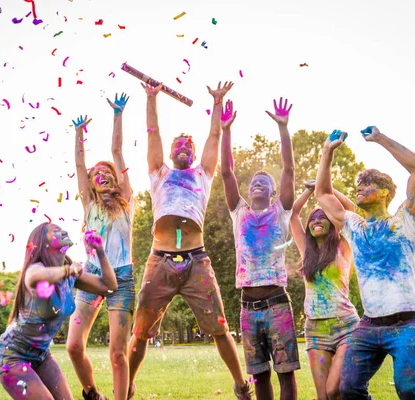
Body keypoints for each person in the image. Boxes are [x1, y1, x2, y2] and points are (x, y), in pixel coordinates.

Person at [128, 81, 252, 399]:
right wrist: (151, 97)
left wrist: (217, 101)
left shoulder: (203, 175)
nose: (183, 148)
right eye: (178, 145)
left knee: (219, 327)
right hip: (160, 261)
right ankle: (125, 387)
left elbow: (214, 136)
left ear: (194, 154)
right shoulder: (159, 172)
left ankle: (241, 386)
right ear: (170, 153)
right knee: (140, 331)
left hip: (197, 261)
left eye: (188, 146)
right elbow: (153, 132)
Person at [315, 127, 415, 400]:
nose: (360, 189)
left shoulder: (405, 220)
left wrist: (380, 139)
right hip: (369, 326)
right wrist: (327, 151)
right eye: (359, 186)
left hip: (406, 324)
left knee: (408, 389)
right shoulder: (354, 227)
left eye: (368, 185)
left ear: (386, 193)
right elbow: (322, 194)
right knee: (349, 388)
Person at [220, 97, 299, 400]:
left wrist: (283, 129)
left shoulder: (281, 211)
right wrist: (226, 130)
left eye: (264, 181)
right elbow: (227, 173)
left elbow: (289, 169)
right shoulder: (239, 212)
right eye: (254, 180)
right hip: (247, 307)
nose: (257, 183)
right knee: (259, 375)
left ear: (273, 192)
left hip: (277, 303)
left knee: (285, 374)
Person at [0, 223, 118, 400]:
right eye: (55, 231)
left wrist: (100, 251)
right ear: (43, 243)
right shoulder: (37, 268)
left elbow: (109, 286)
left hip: (41, 355)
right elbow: (33, 278)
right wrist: (67, 270)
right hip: (11, 355)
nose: (63, 231)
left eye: (62, 229)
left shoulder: (71, 274)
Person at [67, 93, 135, 400]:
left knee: (118, 354)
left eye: (106, 171)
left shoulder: (127, 202)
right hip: (92, 277)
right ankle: (93, 393)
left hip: (121, 278)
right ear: (92, 183)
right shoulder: (89, 204)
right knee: (73, 346)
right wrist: (79, 133)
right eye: (97, 173)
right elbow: (80, 164)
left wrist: (117, 115)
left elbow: (117, 151)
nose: (102, 173)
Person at [290, 180, 359, 400]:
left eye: (322, 217)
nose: (317, 221)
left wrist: (324, 187)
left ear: (332, 223)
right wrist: (309, 191)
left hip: (345, 328)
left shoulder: (344, 246)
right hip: (315, 331)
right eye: (313, 219)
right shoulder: (306, 251)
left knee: (334, 390)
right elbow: (293, 214)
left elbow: (350, 208)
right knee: (324, 397)